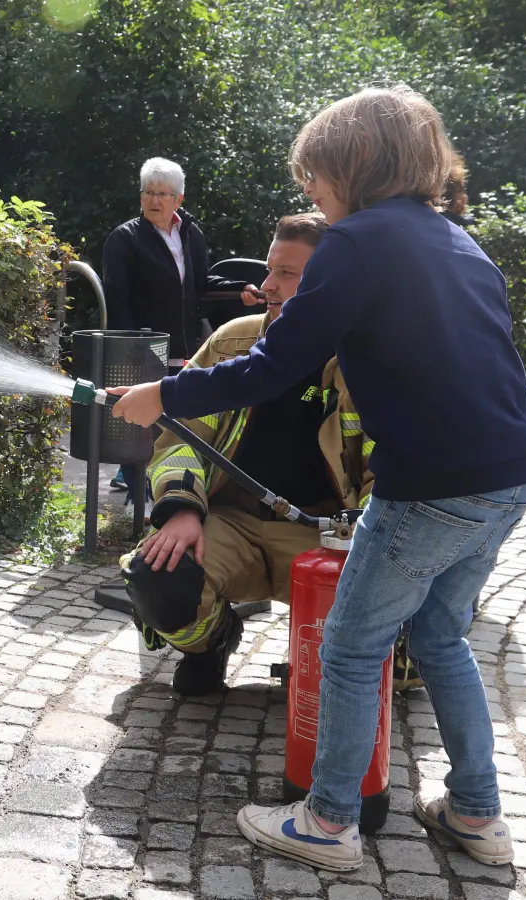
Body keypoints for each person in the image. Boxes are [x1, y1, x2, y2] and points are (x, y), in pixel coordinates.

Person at [110, 86, 526, 872]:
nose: (308, 190)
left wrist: (161, 395)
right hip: (510, 475)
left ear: (355, 164)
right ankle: (477, 811)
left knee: (349, 645)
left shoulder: (358, 241)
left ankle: (330, 821)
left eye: (314, 173)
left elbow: (275, 365)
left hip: (431, 485)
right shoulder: (457, 241)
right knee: (443, 638)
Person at [118, 212, 370, 696]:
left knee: (401, 658)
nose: (267, 284)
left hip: (332, 538)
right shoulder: (233, 342)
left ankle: (337, 662)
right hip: (232, 524)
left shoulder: (366, 360)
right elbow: (179, 439)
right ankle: (212, 642)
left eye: (287, 274)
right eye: (270, 269)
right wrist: (180, 511)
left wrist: (373, 548)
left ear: (329, 285)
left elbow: (389, 468)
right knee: (157, 577)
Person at [102, 158, 260, 497]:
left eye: (163, 193)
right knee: (139, 425)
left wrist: (239, 289)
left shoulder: (190, 234)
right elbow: (118, 300)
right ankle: (138, 498)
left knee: (175, 422)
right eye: (148, 193)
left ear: (179, 199)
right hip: (143, 346)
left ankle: (167, 488)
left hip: (184, 346)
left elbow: (201, 283)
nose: (154, 201)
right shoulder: (124, 239)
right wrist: (130, 349)